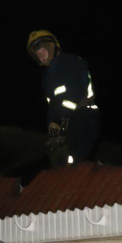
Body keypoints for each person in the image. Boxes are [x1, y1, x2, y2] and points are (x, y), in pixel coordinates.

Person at [27, 30, 100, 167]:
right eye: (38, 54)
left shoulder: (70, 61)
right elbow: (55, 104)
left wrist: (57, 119)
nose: (41, 56)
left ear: (53, 47)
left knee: (74, 165)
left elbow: (75, 92)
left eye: (43, 50)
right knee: (62, 166)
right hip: (69, 123)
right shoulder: (49, 75)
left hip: (83, 116)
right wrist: (53, 127)